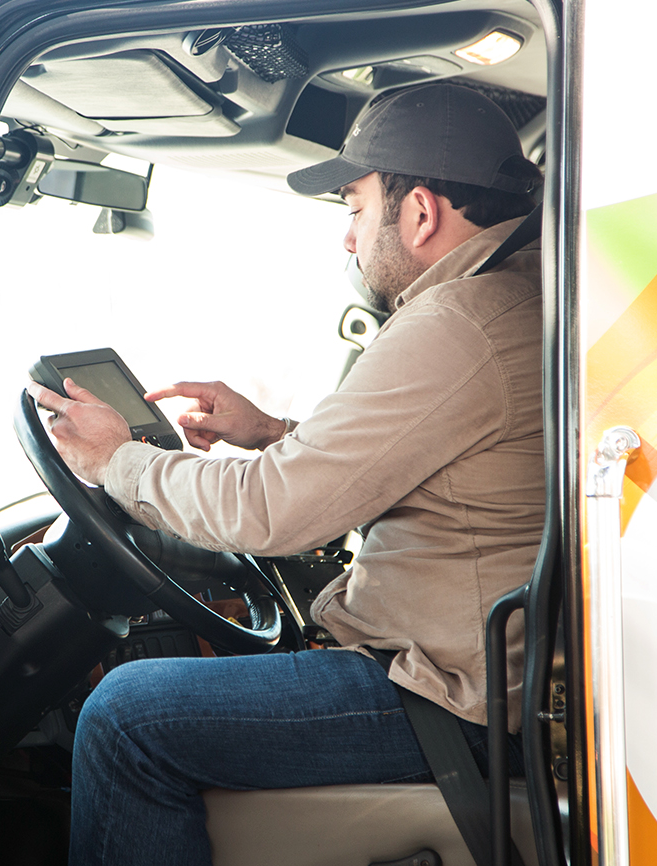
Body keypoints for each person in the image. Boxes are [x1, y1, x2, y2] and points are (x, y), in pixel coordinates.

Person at [29, 83, 545, 866]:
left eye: (355, 208)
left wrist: (115, 460)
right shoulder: (521, 297)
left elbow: (269, 514)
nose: (348, 239)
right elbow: (446, 461)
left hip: (437, 698)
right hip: (479, 680)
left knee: (125, 716)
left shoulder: (457, 321)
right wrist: (274, 432)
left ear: (420, 213)